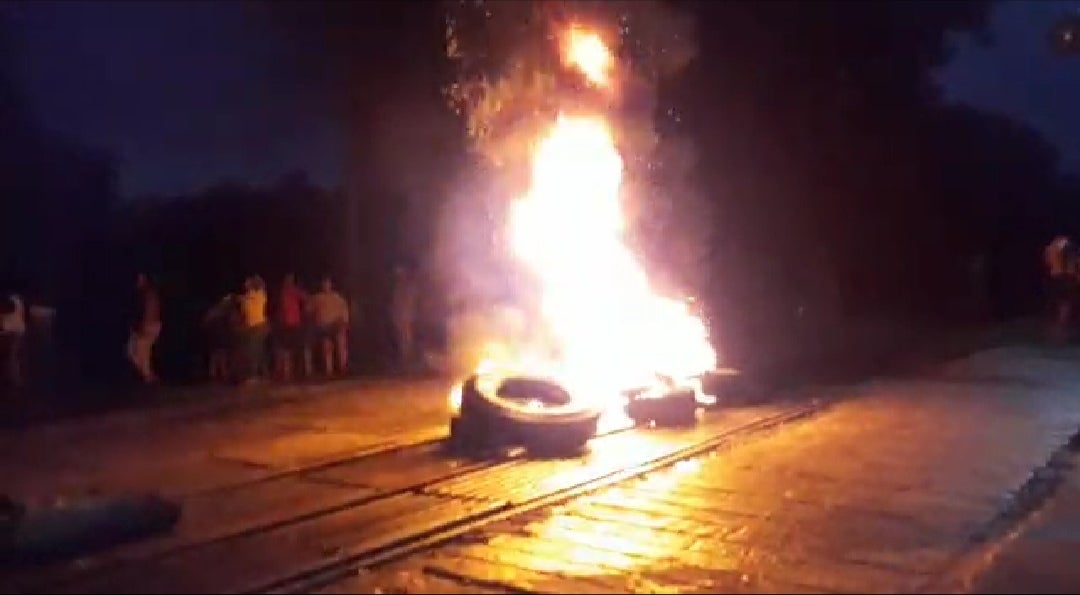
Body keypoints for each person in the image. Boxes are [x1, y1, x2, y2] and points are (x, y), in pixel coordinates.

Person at [308, 277, 350, 377]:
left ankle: (343, 367)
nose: (326, 286)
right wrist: (315, 319)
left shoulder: (337, 297)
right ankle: (329, 370)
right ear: (322, 286)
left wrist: (345, 321)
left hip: (336, 324)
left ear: (331, 285)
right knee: (327, 348)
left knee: (341, 347)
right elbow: (308, 309)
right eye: (324, 284)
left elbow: (344, 309)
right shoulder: (318, 298)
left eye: (328, 284)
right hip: (324, 326)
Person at [273, 273, 311, 382]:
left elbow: (306, 298)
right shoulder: (282, 292)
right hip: (285, 324)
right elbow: (278, 307)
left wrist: (304, 312)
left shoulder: (294, 291)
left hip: (294, 324)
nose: (288, 282)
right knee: (285, 350)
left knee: (293, 349)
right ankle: (287, 373)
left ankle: (296, 372)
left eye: (290, 280)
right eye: (287, 280)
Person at [127, 274, 161, 384]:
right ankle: (147, 374)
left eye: (140, 280)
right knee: (135, 352)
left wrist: (145, 324)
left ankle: (148, 376)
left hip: (150, 324)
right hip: (146, 324)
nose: (138, 282)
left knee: (143, 352)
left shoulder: (149, 295)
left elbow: (150, 311)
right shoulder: (142, 295)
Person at [237, 276, 269, 383]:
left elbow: (262, 286)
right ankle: (263, 374)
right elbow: (244, 313)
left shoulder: (260, 294)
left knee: (254, 350)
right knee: (256, 351)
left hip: (260, 326)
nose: (245, 285)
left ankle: (254, 375)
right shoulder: (245, 298)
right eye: (246, 283)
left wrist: (258, 280)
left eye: (248, 283)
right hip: (251, 327)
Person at [1044, 235, 1076, 339]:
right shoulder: (1065, 244)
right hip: (1065, 276)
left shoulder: (1049, 248)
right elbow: (1071, 259)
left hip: (1055, 276)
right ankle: (1060, 328)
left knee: (1059, 302)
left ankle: (1058, 328)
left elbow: (1047, 261)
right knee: (1065, 302)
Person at [203, 294, 236, 383]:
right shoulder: (222, 312)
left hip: (217, 337)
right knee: (220, 356)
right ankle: (220, 375)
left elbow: (205, 323)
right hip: (219, 337)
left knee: (217, 356)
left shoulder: (214, 312)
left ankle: (216, 375)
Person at [391, 266, 419, 369]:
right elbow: (397, 304)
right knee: (402, 339)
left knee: (406, 339)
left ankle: (408, 361)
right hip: (401, 317)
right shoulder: (400, 289)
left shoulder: (408, 288)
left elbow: (408, 303)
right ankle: (405, 360)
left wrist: (407, 316)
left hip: (405, 317)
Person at [1, 293, 26, 388]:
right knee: (12, 357)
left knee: (11, 357)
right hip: (17, 330)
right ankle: (14, 379)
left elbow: (6, 310)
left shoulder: (11, 302)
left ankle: (13, 380)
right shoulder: (17, 300)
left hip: (9, 332)